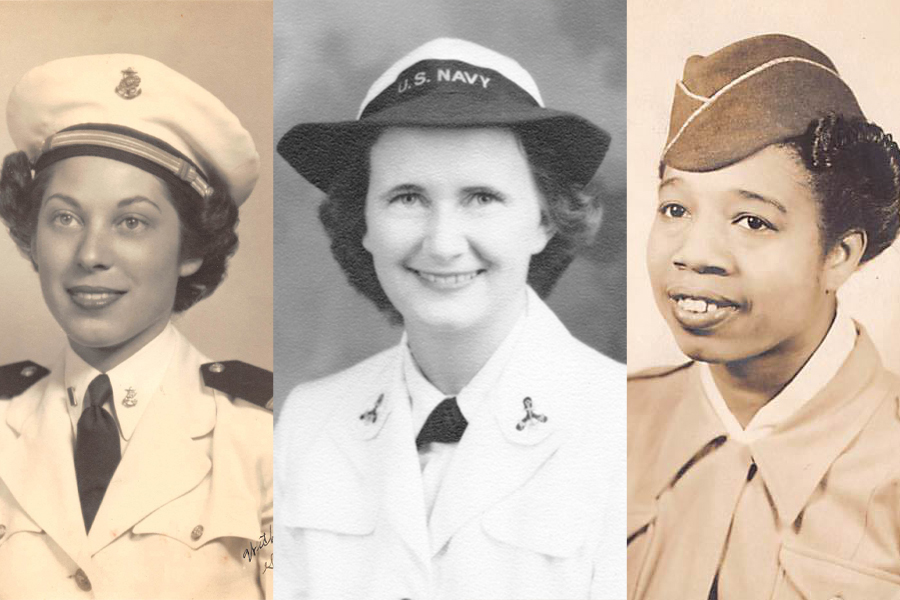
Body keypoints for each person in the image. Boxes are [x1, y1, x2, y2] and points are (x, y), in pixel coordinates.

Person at [276, 38, 625, 599]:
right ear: (361, 220)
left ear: (544, 220)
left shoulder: (626, 422)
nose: (442, 244)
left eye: (482, 197)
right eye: (407, 197)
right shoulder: (308, 423)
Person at [628, 34, 900, 600]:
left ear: (839, 255)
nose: (694, 253)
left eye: (752, 221)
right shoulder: (608, 423)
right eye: (675, 208)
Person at [0, 54, 273, 599]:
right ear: (32, 237)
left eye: (132, 222)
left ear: (191, 249)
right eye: (65, 217)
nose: (91, 253)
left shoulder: (263, 440)